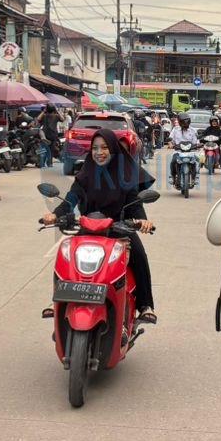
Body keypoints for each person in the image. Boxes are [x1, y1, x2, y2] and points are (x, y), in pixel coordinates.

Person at [40, 129, 157, 323]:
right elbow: (70, 200)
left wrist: (142, 220)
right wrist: (54, 215)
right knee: (65, 254)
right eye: (94, 148)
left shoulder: (125, 175)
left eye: (104, 148)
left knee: (139, 255)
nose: (99, 152)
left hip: (119, 229)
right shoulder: (85, 175)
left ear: (113, 150)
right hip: (88, 229)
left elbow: (135, 204)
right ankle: (57, 300)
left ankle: (145, 305)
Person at [40, 104, 61, 169]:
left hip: (45, 135)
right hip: (53, 135)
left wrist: (43, 111)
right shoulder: (56, 116)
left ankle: (42, 163)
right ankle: (50, 163)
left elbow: (38, 119)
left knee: (44, 149)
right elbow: (62, 119)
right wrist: (57, 111)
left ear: (47, 109)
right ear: (53, 110)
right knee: (51, 150)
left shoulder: (44, 116)